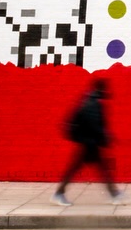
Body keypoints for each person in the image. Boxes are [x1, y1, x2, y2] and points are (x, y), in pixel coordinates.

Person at [52, 77, 125, 205]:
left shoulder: (89, 100)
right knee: (91, 169)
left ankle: (114, 193)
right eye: (105, 89)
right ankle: (59, 193)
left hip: (88, 142)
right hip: (88, 143)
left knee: (97, 169)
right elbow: (94, 125)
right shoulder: (93, 104)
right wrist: (106, 136)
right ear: (101, 89)